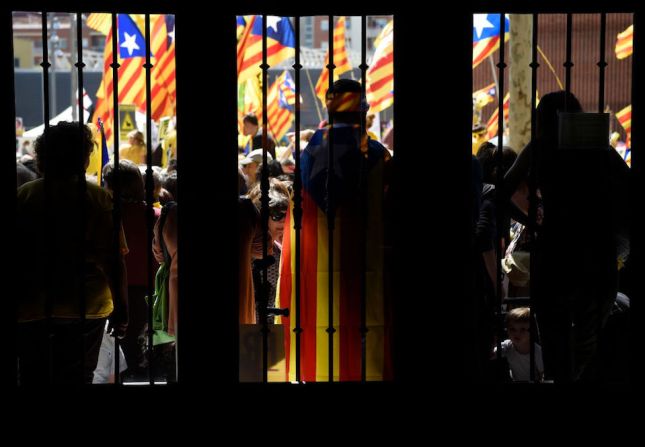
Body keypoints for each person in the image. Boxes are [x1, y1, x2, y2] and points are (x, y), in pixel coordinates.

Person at [504, 90, 630, 382]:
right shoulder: (600, 150)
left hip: (554, 253)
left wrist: (532, 224)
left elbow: (501, 193)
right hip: (595, 253)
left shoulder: (540, 148)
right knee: (588, 342)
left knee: (554, 341)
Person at [277, 79, 393, 381]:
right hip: (365, 270)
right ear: (361, 108)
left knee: (322, 346)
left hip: (317, 272)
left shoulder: (308, 154)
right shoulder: (378, 155)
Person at [16, 121, 128, 385]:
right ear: (82, 156)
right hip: (85, 306)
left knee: (34, 377)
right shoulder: (98, 199)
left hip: (33, 305)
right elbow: (114, 261)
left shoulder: (24, 196)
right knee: (78, 377)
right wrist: (122, 308)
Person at [494, 307, 544, 382]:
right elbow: (495, 352)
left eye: (523, 329)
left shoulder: (537, 351)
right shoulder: (508, 345)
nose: (517, 333)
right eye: (512, 329)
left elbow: (542, 374)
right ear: (507, 330)